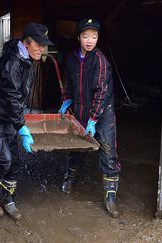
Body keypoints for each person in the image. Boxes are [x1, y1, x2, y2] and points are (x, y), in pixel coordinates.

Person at [0, 22, 52, 220]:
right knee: (3, 159)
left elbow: (17, 98)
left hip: (6, 115)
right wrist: (21, 126)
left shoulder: (26, 60)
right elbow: (11, 97)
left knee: (15, 161)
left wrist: (17, 121)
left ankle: (9, 198)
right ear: (26, 43)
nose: (43, 49)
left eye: (44, 45)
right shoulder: (12, 63)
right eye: (39, 44)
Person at [59, 18, 121, 218]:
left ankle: (110, 198)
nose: (89, 40)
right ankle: (69, 178)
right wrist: (67, 99)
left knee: (107, 149)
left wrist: (93, 119)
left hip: (103, 113)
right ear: (78, 37)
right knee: (77, 146)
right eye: (85, 36)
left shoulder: (100, 61)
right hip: (80, 109)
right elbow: (68, 82)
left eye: (94, 37)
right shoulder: (71, 59)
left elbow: (101, 93)